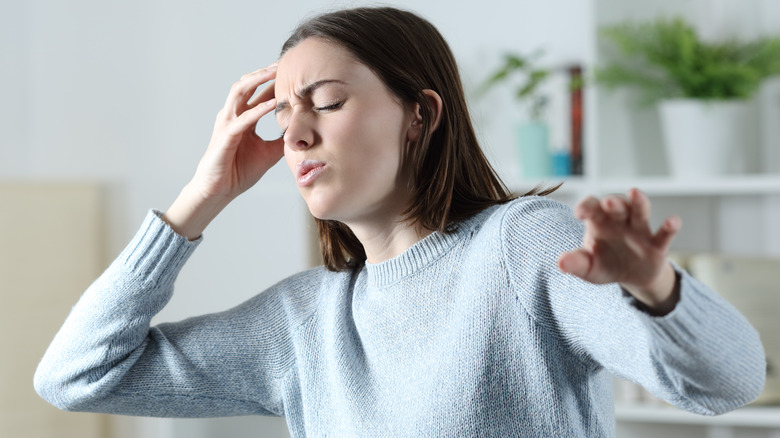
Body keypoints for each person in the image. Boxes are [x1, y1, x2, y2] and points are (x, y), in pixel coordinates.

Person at [35, 6, 765, 437]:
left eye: (324, 101)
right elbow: (75, 377)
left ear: (420, 114)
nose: (294, 134)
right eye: (282, 114)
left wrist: (656, 287)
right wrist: (202, 195)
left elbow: (727, 383)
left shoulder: (520, 245)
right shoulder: (304, 322)